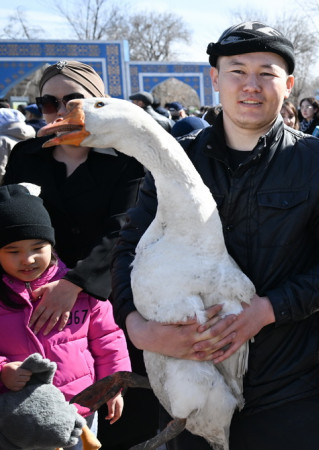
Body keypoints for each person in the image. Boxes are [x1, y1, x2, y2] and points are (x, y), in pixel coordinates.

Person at [111, 21, 319, 450]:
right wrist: (136, 328)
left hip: (291, 386)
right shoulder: (176, 162)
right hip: (191, 386)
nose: (251, 85)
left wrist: (266, 310)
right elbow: (128, 251)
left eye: (266, 73)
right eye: (236, 70)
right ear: (214, 78)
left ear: (287, 85)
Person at [2, 60, 151, 450]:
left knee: (114, 411)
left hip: (107, 294)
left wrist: (74, 283)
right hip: (29, 296)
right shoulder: (26, 155)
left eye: (74, 100)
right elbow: (12, 221)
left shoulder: (127, 159)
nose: (61, 111)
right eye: (50, 102)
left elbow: (124, 230)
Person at [0, 184, 131, 448]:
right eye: (13, 251)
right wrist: (2, 370)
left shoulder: (79, 292)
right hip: (16, 418)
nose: (27, 259)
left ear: (51, 244)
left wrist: (113, 385)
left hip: (78, 411)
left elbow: (109, 340)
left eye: (37, 247)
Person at [0, 108, 35, 182]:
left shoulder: (2, 140)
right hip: (28, 184)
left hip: (7, 188)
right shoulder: (31, 134)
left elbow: (1, 169)